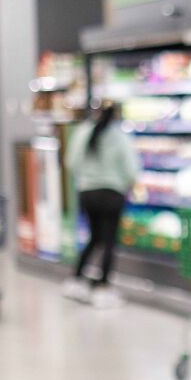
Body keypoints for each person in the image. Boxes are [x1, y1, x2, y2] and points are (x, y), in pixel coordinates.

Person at [64, 101, 141, 309]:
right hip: (111, 194)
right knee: (108, 241)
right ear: (117, 115)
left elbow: (71, 162)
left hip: (87, 192)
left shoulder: (82, 132)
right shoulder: (119, 137)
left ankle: (77, 279)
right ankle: (102, 288)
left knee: (94, 237)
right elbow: (131, 169)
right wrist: (130, 185)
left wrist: (87, 178)